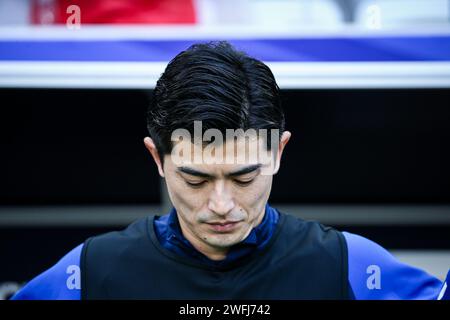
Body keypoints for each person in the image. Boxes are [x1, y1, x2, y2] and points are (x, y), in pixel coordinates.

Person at [11, 41, 448, 300]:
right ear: (157, 160)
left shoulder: (349, 266)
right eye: (196, 179)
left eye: (244, 177)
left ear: (279, 153)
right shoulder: (91, 273)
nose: (221, 206)